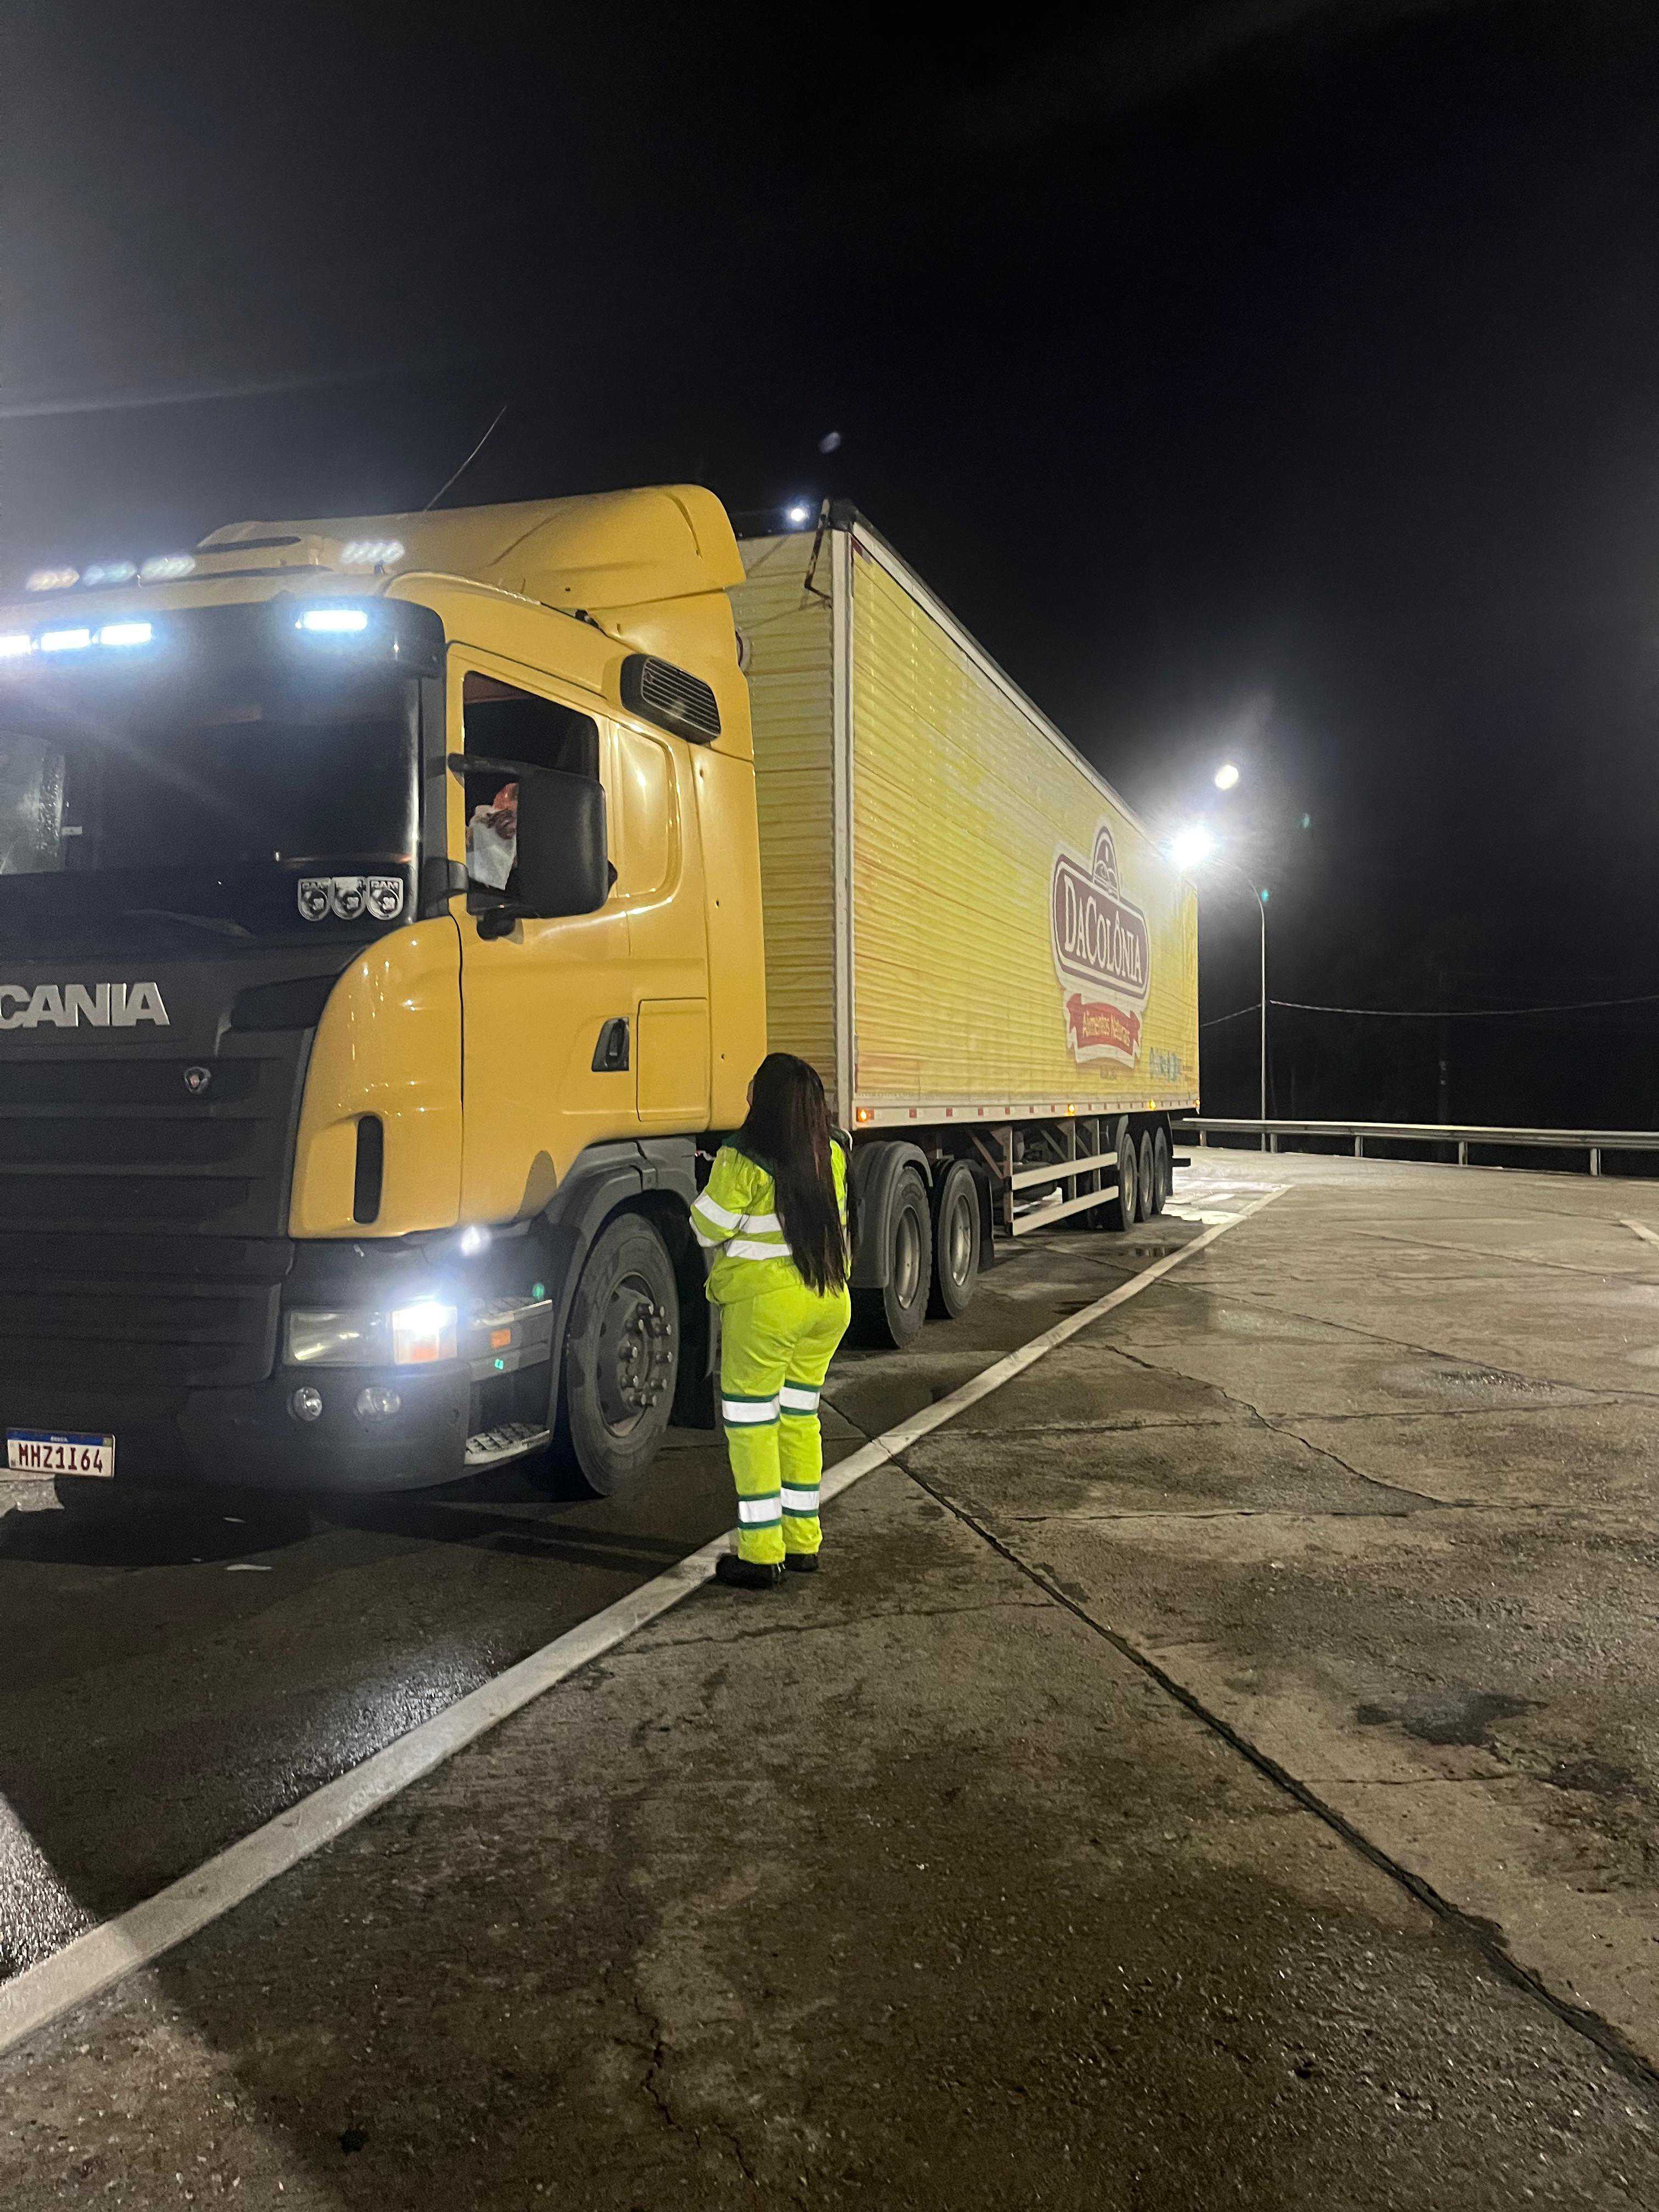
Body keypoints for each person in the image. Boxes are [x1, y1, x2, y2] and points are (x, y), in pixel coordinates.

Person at [691, 1053, 854, 1590]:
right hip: (826, 1301)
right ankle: (803, 1542)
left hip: (767, 1310)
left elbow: (708, 1228)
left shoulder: (743, 1158)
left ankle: (762, 1553)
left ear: (766, 1100)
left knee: (752, 1425)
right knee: (799, 1418)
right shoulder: (830, 1152)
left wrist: (708, 1178)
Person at [467, 780, 518, 890]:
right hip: (493, 889)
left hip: (470, 881)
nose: (497, 796)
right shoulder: (518, 832)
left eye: (502, 793)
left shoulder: (498, 820)